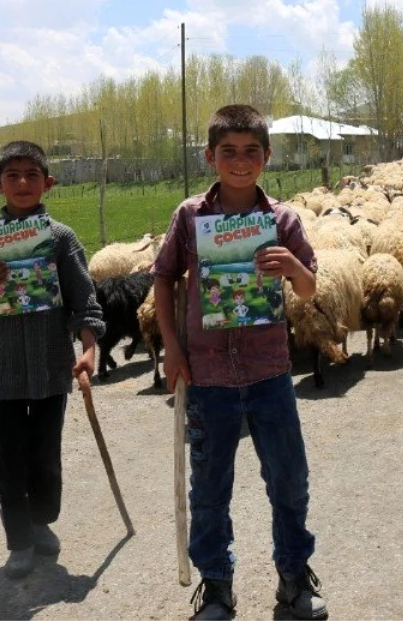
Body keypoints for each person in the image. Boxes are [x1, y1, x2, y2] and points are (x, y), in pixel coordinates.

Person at [151, 104, 324, 621]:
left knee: (289, 481)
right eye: (229, 152)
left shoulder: (282, 220)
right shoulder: (189, 217)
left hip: (270, 373)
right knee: (208, 488)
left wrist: (294, 268)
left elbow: (310, 289)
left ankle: (294, 578)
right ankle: (217, 585)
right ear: (210, 156)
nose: (240, 161)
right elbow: (162, 278)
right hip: (207, 377)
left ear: (267, 157)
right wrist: (173, 348)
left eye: (251, 152)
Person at [0, 140, 104, 579]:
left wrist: (89, 348)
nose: (22, 183)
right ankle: (19, 541)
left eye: (31, 175)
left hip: (53, 371)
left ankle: (41, 521)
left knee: (45, 456)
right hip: (2, 376)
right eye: (12, 176)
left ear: (48, 184)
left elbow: (84, 301)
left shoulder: (60, 239)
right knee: (9, 460)